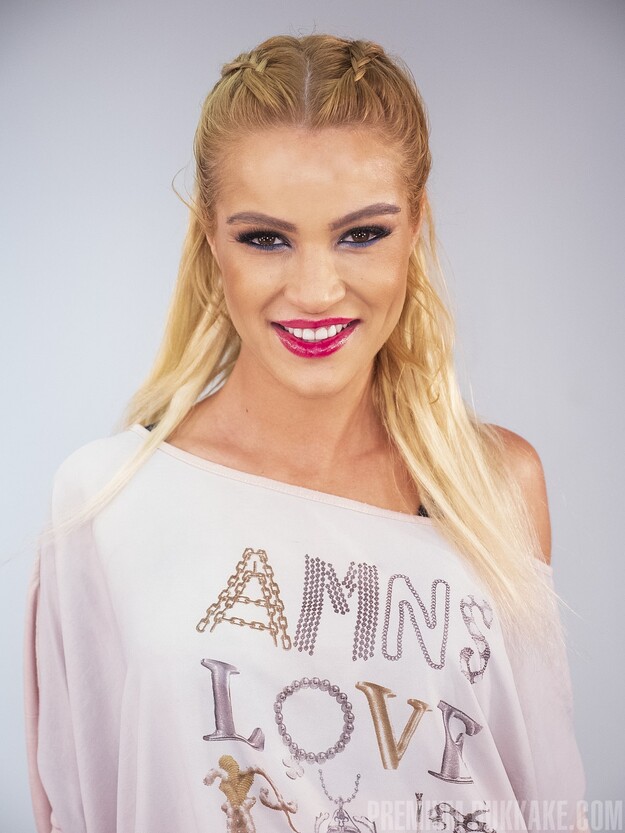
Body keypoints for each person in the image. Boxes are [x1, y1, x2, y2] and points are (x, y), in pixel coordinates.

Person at [25, 33, 587, 833]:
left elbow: (550, 801)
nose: (317, 289)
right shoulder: (106, 500)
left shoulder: (497, 481)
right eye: (266, 238)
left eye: (362, 234)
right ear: (210, 238)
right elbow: (83, 803)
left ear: (415, 228)